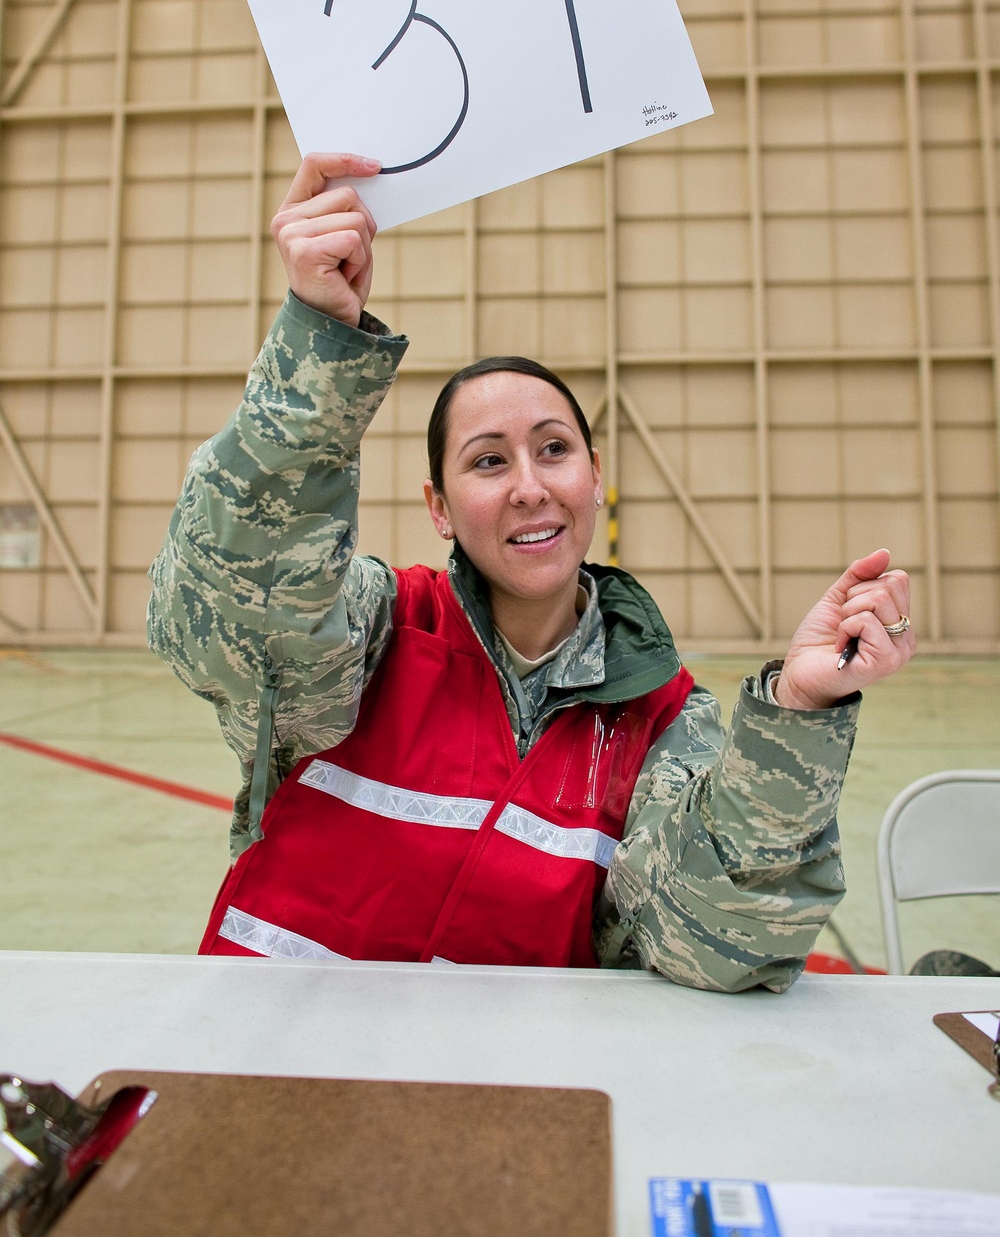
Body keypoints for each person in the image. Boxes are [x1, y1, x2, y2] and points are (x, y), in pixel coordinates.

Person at [148, 153, 917, 992]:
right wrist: (317, 334)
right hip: (273, 1068)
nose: (529, 487)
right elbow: (229, 602)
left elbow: (714, 943)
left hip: (508, 1110)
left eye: (554, 449)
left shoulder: (658, 717)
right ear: (438, 508)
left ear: (593, 477)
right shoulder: (372, 631)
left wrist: (800, 712)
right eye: (487, 462)